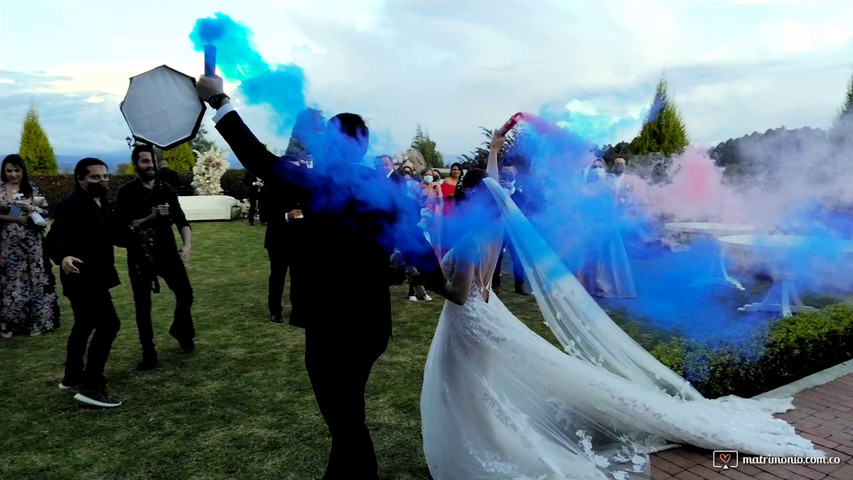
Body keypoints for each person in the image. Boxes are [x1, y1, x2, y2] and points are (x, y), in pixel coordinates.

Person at [419, 133, 823, 479]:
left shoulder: (472, 237)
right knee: (475, 388)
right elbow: (490, 185)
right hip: (484, 316)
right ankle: (487, 438)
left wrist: (425, 277)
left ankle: (482, 448)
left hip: (468, 319)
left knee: (464, 389)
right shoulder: (494, 227)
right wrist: (494, 149)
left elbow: (457, 292)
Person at [196, 74, 446, 480]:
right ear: (364, 146)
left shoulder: (321, 182)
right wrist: (443, 284)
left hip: (334, 323)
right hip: (370, 324)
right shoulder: (385, 191)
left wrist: (220, 101)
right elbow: (417, 245)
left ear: (333, 144)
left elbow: (259, 160)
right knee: (347, 412)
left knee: (345, 419)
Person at [45, 158, 122, 408]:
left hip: (96, 274)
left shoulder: (99, 201)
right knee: (109, 324)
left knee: (84, 323)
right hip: (81, 275)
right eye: (96, 177)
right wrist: (63, 256)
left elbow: (111, 233)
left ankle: (72, 376)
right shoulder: (71, 204)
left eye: (105, 176)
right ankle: (92, 387)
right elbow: (53, 239)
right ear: (81, 178)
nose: (103, 180)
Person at [115, 144, 195, 372]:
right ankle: (148, 352)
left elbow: (181, 220)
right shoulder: (127, 192)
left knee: (186, 295)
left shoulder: (166, 188)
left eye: (151, 161)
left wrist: (187, 244)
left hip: (168, 252)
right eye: (144, 161)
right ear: (136, 164)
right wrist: (151, 216)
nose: (150, 166)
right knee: (143, 306)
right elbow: (123, 227)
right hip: (141, 255)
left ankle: (181, 330)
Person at [0, 154, 60, 337]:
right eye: (9, 170)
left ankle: (39, 322)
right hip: (8, 246)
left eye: (16, 170)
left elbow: (45, 212)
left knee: (37, 280)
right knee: (12, 283)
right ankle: (10, 324)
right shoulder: (0, 190)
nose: (13, 174)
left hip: (33, 244)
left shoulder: (32, 188)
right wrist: (15, 218)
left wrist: (32, 209)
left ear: (23, 170)